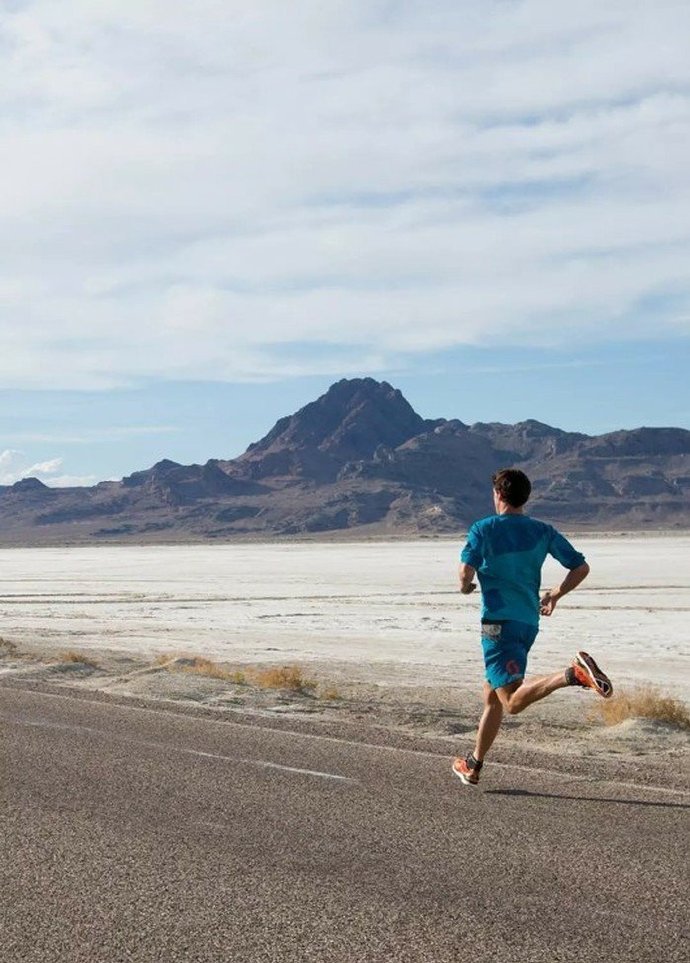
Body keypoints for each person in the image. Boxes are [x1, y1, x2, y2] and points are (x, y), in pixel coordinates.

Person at [453, 467, 612, 786]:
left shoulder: (483, 528)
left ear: (498, 494)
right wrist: (555, 594)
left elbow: (464, 572)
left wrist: (466, 586)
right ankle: (474, 764)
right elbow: (580, 567)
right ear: (525, 497)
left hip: (498, 625)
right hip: (528, 621)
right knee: (492, 695)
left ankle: (571, 674)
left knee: (510, 701)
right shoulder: (542, 530)